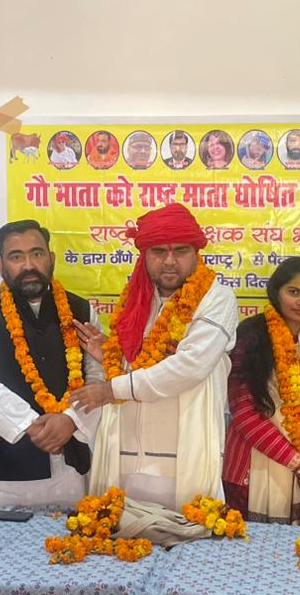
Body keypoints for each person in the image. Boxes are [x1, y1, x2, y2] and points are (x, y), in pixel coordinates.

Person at [72, 202, 239, 508]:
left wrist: (111, 390)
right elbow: (144, 361)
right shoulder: (136, 301)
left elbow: (189, 366)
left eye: (181, 250)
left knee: (188, 532)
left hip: (184, 457)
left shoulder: (216, 299)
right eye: (159, 251)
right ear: (144, 255)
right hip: (125, 456)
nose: (170, 261)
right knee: (119, 533)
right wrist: (113, 355)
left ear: (196, 252)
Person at [0, 221, 104, 508]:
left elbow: (98, 377)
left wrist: (70, 420)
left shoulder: (82, 310)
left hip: (71, 468)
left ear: (51, 259)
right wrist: (30, 425)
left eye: (37, 253)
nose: (29, 265)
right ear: (0, 265)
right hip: (3, 472)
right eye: (16, 256)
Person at [223, 257, 300, 524]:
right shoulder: (250, 335)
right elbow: (243, 411)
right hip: (252, 472)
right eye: (294, 292)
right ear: (276, 291)